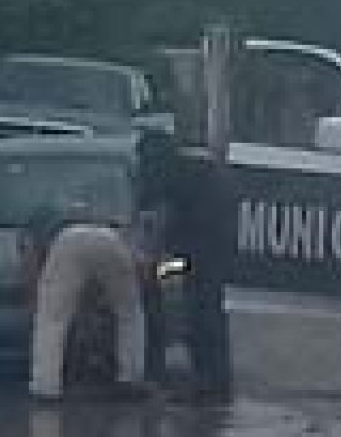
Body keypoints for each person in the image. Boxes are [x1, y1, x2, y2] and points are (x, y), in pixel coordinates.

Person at [136, 131, 232, 400]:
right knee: (199, 308)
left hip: (195, 257)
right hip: (190, 256)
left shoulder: (173, 171)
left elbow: (155, 211)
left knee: (202, 310)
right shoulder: (186, 169)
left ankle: (208, 380)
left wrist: (152, 253)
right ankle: (207, 378)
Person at [21, 207, 148, 400]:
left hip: (67, 240)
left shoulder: (37, 225)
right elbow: (140, 263)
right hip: (112, 239)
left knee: (52, 319)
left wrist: (35, 297)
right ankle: (131, 377)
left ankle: (45, 386)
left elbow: (31, 264)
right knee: (130, 314)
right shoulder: (111, 215)